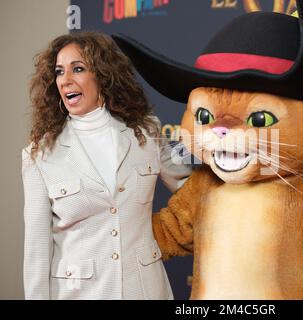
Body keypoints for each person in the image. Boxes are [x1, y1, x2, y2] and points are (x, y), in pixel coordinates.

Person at [22, 31, 191, 300]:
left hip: (145, 290)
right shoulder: (39, 154)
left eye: (77, 69)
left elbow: (190, 189)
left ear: (102, 75)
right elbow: (37, 248)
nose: (65, 81)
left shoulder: (146, 132)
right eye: (59, 72)